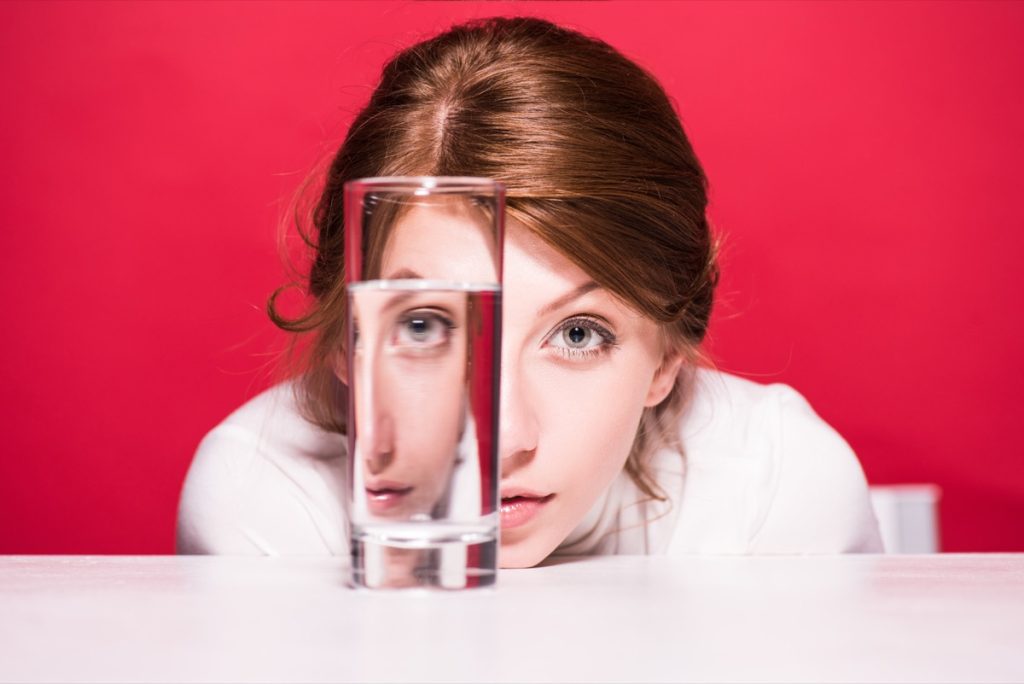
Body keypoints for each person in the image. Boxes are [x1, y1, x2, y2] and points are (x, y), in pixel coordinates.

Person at [176, 16, 883, 565]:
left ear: (669, 358)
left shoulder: (775, 483)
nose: (500, 437)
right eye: (424, 326)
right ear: (344, 344)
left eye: (579, 334)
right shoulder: (262, 497)